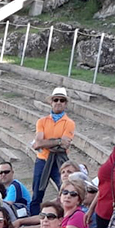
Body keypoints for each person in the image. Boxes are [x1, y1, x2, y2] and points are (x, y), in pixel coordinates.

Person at [30, 87, 75, 215]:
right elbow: (38, 143)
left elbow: (64, 145)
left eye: (62, 100)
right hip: (43, 160)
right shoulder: (42, 121)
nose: (58, 102)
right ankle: (33, 219)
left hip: (59, 162)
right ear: (51, 102)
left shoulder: (69, 123)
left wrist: (46, 143)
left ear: (65, 103)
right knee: (37, 194)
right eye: (56, 100)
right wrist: (58, 141)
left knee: (65, 191)